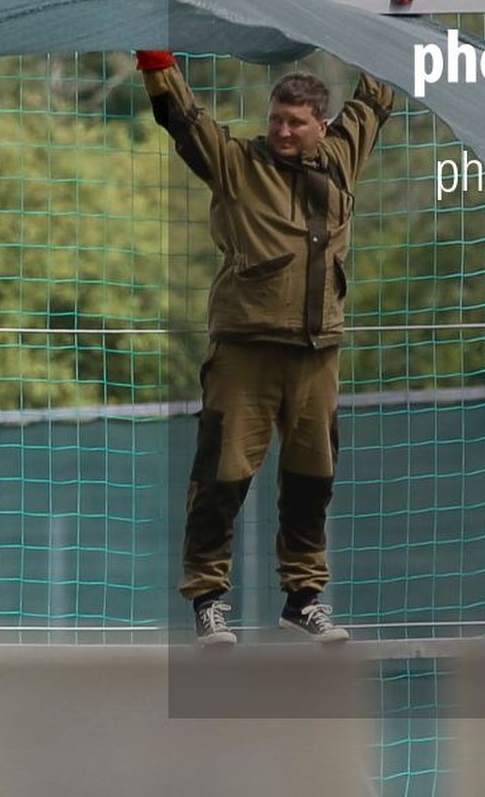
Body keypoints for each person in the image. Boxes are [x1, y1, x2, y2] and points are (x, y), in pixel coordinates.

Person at [136, 47, 396, 646]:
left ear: (321, 127)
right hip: (245, 352)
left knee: (313, 478)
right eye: (276, 118)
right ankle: (207, 600)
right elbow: (184, 119)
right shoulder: (236, 164)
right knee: (222, 476)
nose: (281, 130)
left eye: (295, 122)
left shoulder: (342, 158)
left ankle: (303, 600)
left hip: (317, 353)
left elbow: (376, 96)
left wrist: (392, 25)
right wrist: (157, 61)